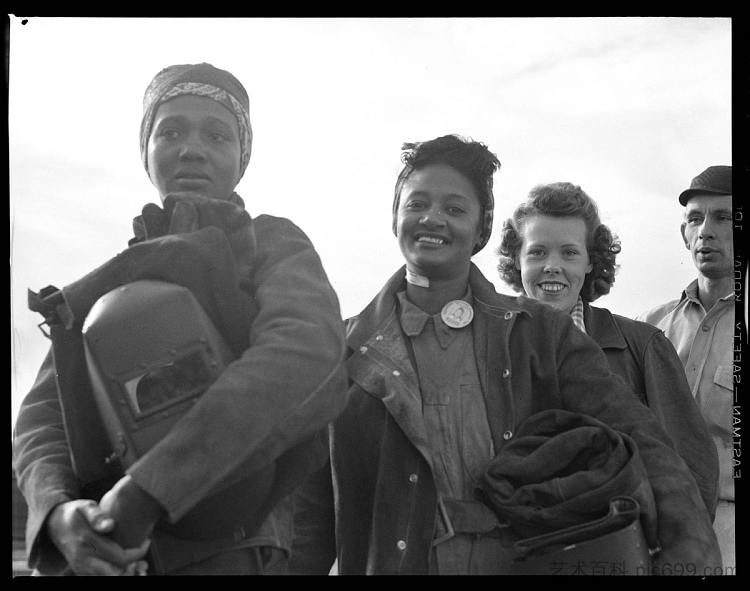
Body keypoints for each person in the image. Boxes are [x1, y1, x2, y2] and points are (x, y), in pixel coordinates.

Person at [289, 134, 720, 575]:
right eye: (417, 204)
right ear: (395, 217)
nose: (433, 219)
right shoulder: (343, 354)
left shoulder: (542, 335)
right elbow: (308, 517)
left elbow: (645, 442)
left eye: (455, 209)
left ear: (482, 227)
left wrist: (686, 556)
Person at [12, 62, 349, 576]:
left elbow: (305, 356)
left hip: (239, 553)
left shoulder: (273, 246)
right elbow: (41, 416)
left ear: (242, 157)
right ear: (146, 151)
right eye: (169, 131)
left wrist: (152, 487)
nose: (191, 148)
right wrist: (58, 513)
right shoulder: (105, 289)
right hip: (110, 558)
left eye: (217, 134)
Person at [495, 182, 719, 518]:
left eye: (569, 252)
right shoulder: (485, 344)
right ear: (517, 261)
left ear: (589, 262)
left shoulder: (643, 345)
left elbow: (693, 470)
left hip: (617, 547)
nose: (552, 265)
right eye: (537, 252)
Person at [636, 165, 734, 571]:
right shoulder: (649, 327)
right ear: (683, 234)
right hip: (655, 527)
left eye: (724, 217)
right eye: (695, 218)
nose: (705, 231)